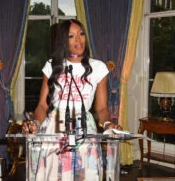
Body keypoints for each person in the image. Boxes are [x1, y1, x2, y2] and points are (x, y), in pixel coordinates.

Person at [22, 19, 122, 181]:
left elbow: (102, 108)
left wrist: (107, 124)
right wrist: (35, 124)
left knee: (85, 175)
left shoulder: (98, 67)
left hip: (84, 129)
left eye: (81, 34)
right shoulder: (52, 66)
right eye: (71, 36)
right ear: (63, 41)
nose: (78, 39)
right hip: (55, 129)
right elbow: (42, 105)